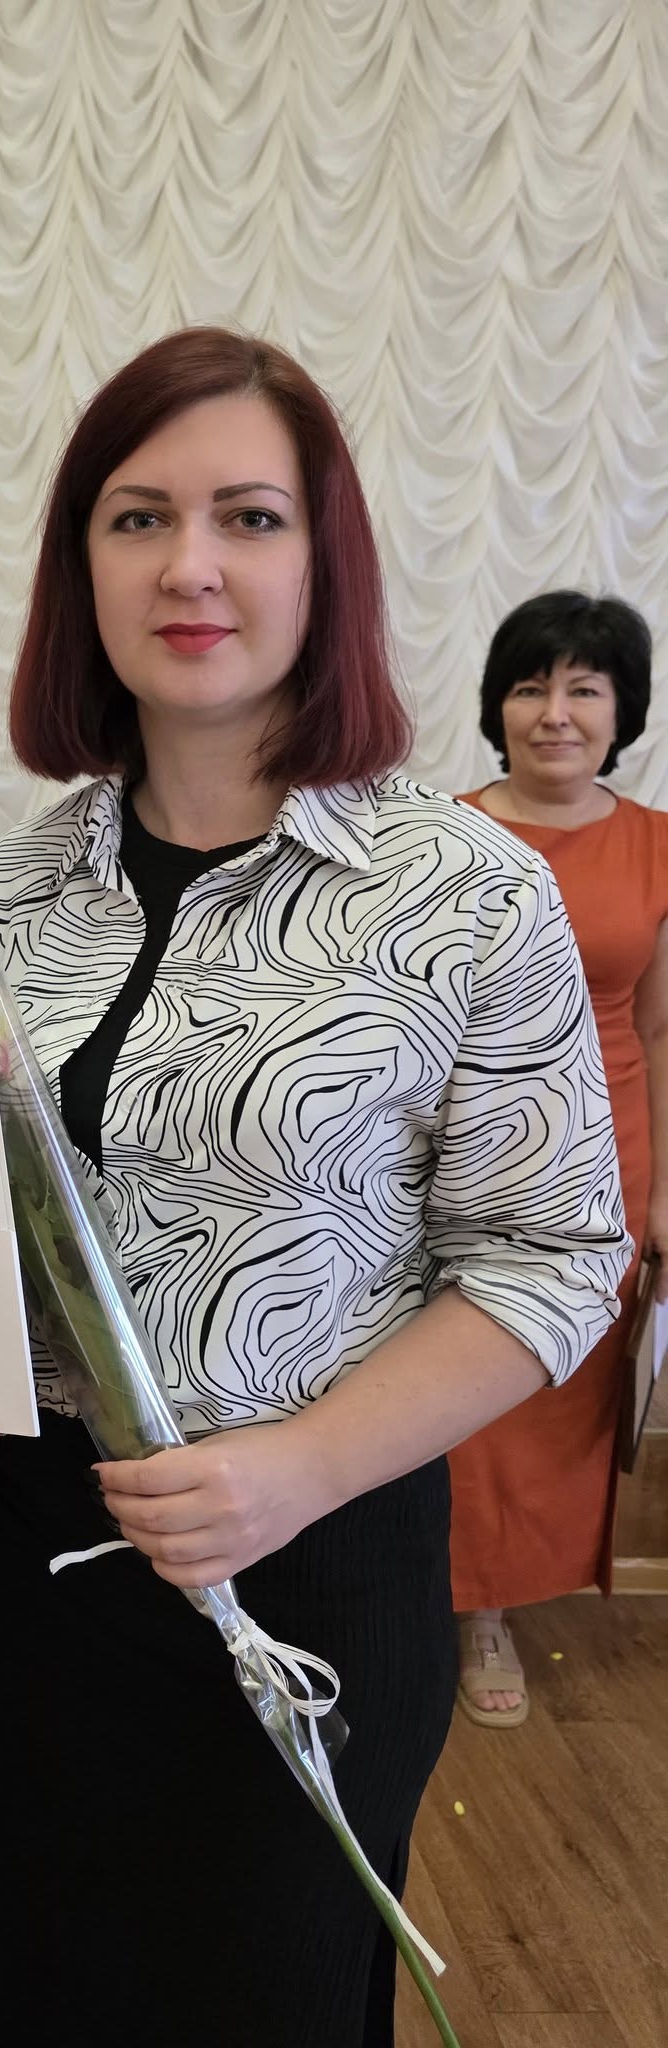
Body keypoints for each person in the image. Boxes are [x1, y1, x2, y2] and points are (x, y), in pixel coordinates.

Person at [0, 329, 629, 2048]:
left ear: (325, 567)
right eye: (138, 517)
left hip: (319, 1554)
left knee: (277, 2000)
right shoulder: (16, 895)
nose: (189, 565)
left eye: (249, 517)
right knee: (49, 1989)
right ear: (80, 567)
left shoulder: (462, 890)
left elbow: (555, 1254)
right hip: (47, 1551)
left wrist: (296, 1469)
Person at [450, 591, 666, 1726]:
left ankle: (507, 1588)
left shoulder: (659, 846)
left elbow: (662, 1028)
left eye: (585, 687)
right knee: (460, 1376)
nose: (556, 712)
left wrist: (665, 1188)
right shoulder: (439, 833)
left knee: (559, 1386)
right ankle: (467, 1603)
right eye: (532, 686)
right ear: (499, 704)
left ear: (622, 710)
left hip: (607, 1154)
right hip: (463, 1149)